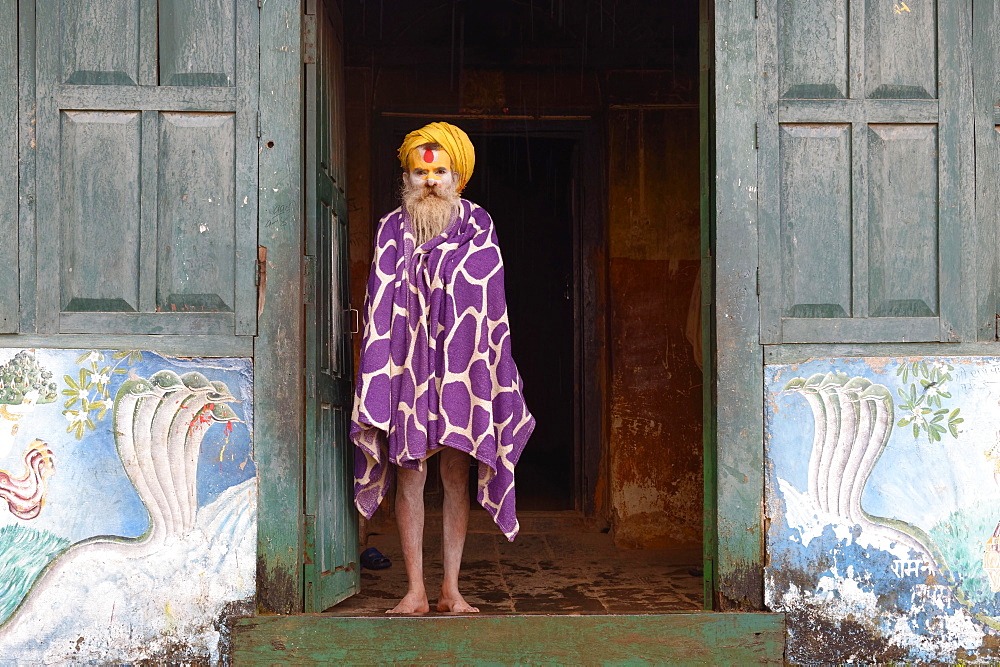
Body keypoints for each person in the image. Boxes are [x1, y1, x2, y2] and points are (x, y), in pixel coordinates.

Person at [351, 122, 534, 614]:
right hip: (408, 369)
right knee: (409, 474)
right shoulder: (392, 229)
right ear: (406, 177)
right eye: (419, 171)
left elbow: (487, 302)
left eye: (440, 170)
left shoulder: (479, 225)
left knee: (456, 475)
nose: (430, 180)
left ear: (459, 176)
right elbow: (380, 305)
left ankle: (452, 589)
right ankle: (415, 590)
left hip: (461, 370)